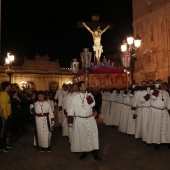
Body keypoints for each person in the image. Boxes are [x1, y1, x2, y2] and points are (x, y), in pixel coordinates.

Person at [67, 81, 101, 160]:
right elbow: (71, 109)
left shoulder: (89, 95)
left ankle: (95, 153)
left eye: (86, 85)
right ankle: (84, 152)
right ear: (80, 87)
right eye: (84, 85)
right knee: (83, 136)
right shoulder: (75, 97)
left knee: (93, 136)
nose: (86, 86)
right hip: (80, 120)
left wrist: (88, 96)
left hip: (90, 119)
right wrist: (70, 121)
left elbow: (93, 105)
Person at [0, 81, 12, 152]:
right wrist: (5, 116)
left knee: (5, 131)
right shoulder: (4, 95)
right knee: (3, 132)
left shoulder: (5, 94)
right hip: (4, 116)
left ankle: (4, 144)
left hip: (6, 115)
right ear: (7, 86)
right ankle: (2, 146)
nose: (10, 88)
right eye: (9, 86)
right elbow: (3, 107)